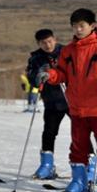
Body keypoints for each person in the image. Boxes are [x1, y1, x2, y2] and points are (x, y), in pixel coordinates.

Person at [38, 9, 97, 192]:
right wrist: (50, 75)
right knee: (78, 146)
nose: (78, 30)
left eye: (82, 26)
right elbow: (61, 73)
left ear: (92, 26)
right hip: (77, 107)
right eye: (74, 26)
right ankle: (79, 181)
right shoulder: (69, 50)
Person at [26, 28, 69, 179]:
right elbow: (30, 77)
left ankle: (90, 164)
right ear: (39, 44)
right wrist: (37, 77)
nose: (48, 45)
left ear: (55, 39)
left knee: (80, 133)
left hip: (71, 98)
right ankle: (47, 165)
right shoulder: (36, 58)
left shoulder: (66, 51)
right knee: (49, 132)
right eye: (43, 43)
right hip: (52, 100)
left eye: (50, 41)